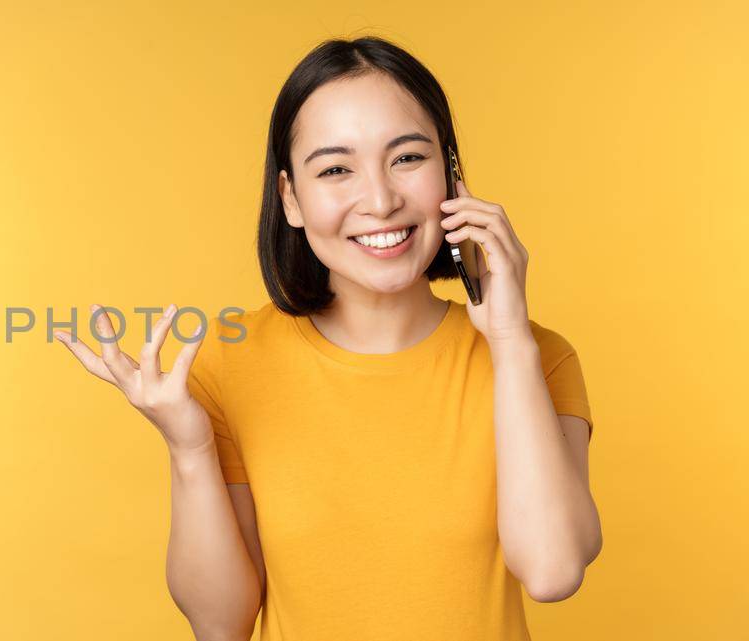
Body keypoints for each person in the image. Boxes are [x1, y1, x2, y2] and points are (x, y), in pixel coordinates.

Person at [53, 36, 599, 641]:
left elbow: (552, 571)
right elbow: (219, 625)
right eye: (337, 169)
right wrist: (189, 449)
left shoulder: (538, 358)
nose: (381, 200)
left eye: (408, 158)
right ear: (290, 197)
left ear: (451, 174)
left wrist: (509, 341)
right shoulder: (230, 366)